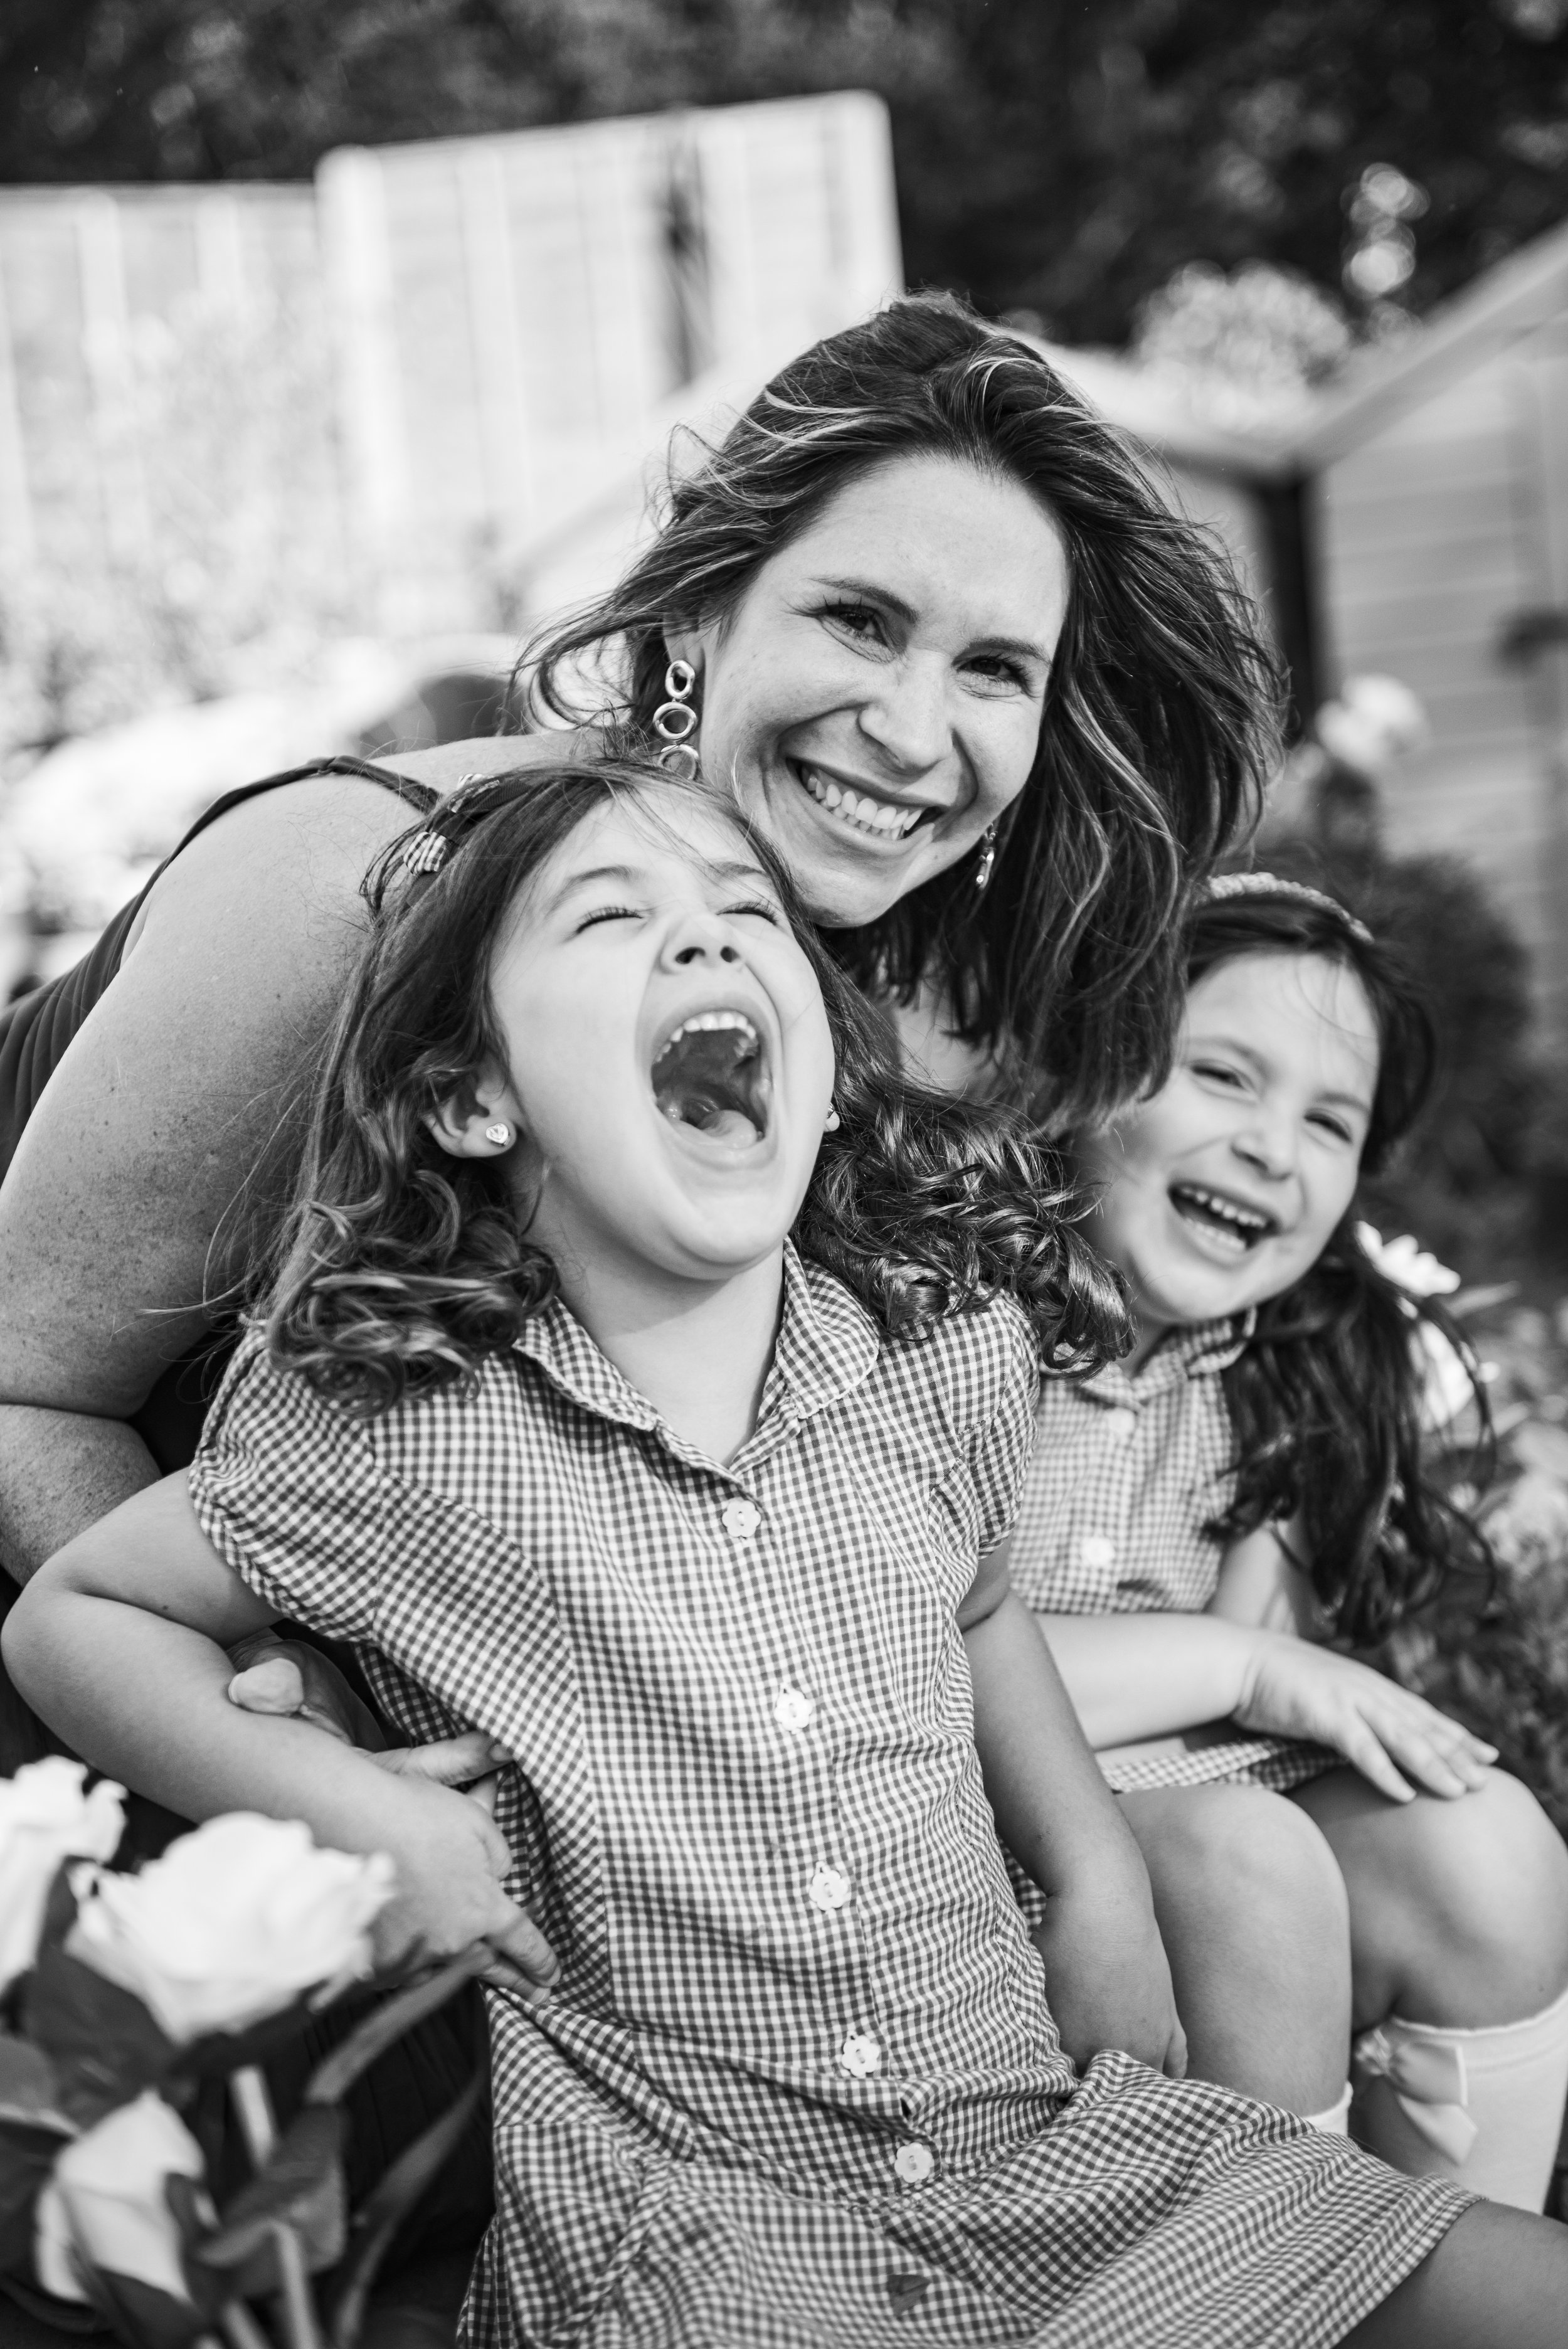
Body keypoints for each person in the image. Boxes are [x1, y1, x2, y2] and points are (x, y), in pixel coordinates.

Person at [11, 758, 1566, 2348]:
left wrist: (1094, 1874)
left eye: (744, 915)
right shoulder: (398, 1418)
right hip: (689, 2228)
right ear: (467, 1097)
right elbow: (81, 1608)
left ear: (822, 1075)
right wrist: (339, 1805)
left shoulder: (932, 1352)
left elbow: (973, 1603)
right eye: (615, 917)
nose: (703, 946)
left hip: (1039, 2144)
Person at [0, 292, 1275, 1661]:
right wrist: (294, 1741)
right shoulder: (367, 884)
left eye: (990, 669)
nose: (913, 733)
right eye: (855, 620)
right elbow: (26, 1393)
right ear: (697, 613)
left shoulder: (904, 1003)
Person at [1004, 872, 1568, 2209]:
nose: (1272, 1147)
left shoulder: (1289, 1368)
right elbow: (901, 1651)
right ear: (1088, 1067)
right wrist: (1242, 1666)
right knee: (1243, 1863)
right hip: (952, 1835)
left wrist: (1250, 1667)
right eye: (1222, 1075)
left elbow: (1241, 1728)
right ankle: (1287, 2272)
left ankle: (1454, 2257)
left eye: (1328, 1121)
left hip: (1193, 1831)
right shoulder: (966, 1319)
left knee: (1481, 1842)